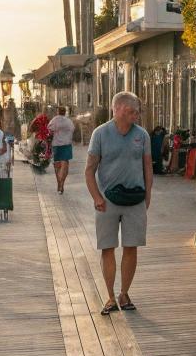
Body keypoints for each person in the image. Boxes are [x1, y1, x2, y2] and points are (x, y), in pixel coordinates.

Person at [85, 92, 153, 316]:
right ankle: (110, 297)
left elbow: (147, 168)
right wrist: (97, 197)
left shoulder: (141, 135)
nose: (136, 115)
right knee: (108, 247)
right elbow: (89, 169)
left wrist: (148, 196)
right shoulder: (101, 134)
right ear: (118, 109)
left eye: (137, 111)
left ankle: (124, 293)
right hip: (107, 200)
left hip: (135, 199)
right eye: (132, 111)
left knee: (131, 246)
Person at [48, 105, 75, 194]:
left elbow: (49, 129)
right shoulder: (68, 121)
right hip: (66, 144)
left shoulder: (55, 120)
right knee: (65, 165)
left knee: (57, 166)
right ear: (65, 112)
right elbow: (72, 129)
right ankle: (61, 183)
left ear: (58, 112)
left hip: (56, 145)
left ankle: (59, 183)